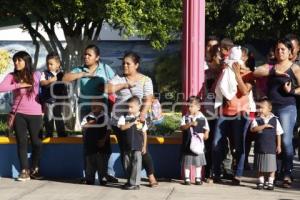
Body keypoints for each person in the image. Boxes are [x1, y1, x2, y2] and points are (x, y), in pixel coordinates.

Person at [63, 44, 118, 183]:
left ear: (97, 57)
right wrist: (82, 74)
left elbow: (115, 84)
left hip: (103, 108)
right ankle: (88, 174)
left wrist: (105, 87)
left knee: (105, 141)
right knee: (87, 141)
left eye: (89, 55)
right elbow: (65, 78)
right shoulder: (80, 69)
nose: (86, 57)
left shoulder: (106, 69)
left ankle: (107, 173)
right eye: (85, 55)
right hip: (85, 109)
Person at [107, 51, 158, 187]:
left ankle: (151, 176)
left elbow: (148, 99)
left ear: (136, 65)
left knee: (142, 148)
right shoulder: (119, 78)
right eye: (123, 63)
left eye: (128, 63)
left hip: (137, 120)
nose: (124, 66)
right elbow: (107, 89)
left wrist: (142, 115)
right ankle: (130, 179)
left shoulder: (145, 80)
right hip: (120, 121)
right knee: (125, 150)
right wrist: (124, 85)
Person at [254, 38, 300, 188]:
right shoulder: (271, 66)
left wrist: (292, 90)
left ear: (289, 52)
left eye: (283, 49)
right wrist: (273, 71)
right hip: (271, 109)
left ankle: (287, 173)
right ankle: (273, 172)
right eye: (277, 49)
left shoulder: (294, 68)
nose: (280, 52)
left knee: (286, 141)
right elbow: (256, 72)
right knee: (271, 140)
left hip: (287, 108)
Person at [0, 51, 43, 181]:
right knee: (22, 143)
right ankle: (24, 170)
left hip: (35, 113)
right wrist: (19, 85)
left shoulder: (36, 74)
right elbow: (1, 87)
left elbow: (44, 87)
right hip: (19, 114)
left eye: (19, 60)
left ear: (26, 61)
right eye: (15, 61)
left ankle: (34, 168)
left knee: (37, 143)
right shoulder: (12, 76)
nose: (16, 63)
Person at [250, 98, 283, 190]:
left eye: (262, 108)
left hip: (271, 147)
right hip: (260, 147)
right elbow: (253, 129)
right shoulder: (257, 119)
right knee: (260, 166)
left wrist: (279, 145)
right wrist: (264, 126)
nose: (260, 110)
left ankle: (270, 182)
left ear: (269, 109)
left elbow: (278, 133)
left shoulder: (275, 120)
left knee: (272, 166)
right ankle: (260, 181)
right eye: (259, 108)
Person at [118, 96, 147, 190]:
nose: (129, 109)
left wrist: (144, 146)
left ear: (138, 107)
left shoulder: (141, 119)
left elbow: (144, 133)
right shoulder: (124, 117)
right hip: (127, 145)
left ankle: (135, 183)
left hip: (137, 146)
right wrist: (132, 123)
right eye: (128, 107)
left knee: (137, 164)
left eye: (132, 107)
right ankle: (130, 181)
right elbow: (122, 128)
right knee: (127, 164)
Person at [81, 99, 111, 185]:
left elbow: (109, 130)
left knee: (102, 164)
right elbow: (83, 127)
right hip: (90, 146)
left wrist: (103, 140)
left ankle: (103, 178)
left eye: (96, 104)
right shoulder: (87, 117)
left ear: (101, 106)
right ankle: (90, 178)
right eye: (92, 104)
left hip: (103, 146)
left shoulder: (105, 117)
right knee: (90, 164)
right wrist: (90, 123)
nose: (93, 106)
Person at [180, 96, 209, 185]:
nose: (189, 108)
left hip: (198, 144)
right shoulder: (185, 117)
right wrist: (190, 124)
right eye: (188, 106)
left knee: (198, 162)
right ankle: (187, 178)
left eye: (192, 106)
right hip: (188, 143)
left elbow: (206, 128)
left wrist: (206, 134)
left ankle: (198, 178)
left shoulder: (202, 117)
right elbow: (182, 127)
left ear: (198, 107)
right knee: (187, 161)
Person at [40, 52, 67, 137]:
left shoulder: (61, 74)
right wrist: (51, 80)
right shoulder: (45, 73)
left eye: (51, 64)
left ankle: (61, 134)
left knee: (58, 116)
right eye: (48, 64)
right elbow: (42, 83)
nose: (49, 66)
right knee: (48, 117)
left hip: (58, 100)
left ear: (58, 64)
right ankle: (49, 134)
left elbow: (65, 85)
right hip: (49, 100)